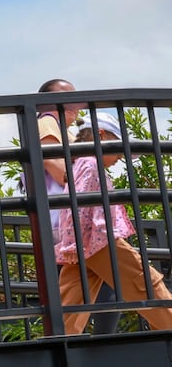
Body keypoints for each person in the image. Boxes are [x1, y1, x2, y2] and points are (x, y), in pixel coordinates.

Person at [55, 112, 172, 334]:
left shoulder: (80, 164)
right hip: (99, 240)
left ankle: (59, 343)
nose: (120, 156)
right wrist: (72, 244)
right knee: (145, 282)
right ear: (100, 135)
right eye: (117, 147)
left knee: (72, 299)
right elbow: (76, 207)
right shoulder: (91, 165)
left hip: (84, 243)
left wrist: (72, 244)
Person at [36, 78, 118, 334]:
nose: (76, 102)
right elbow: (58, 169)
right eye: (67, 96)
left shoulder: (67, 131)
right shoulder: (47, 122)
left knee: (87, 288)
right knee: (108, 282)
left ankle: (72, 344)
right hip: (69, 222)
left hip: (74, 222)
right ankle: (94, 347)